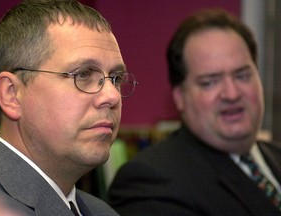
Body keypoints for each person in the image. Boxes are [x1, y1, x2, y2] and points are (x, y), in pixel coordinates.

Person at [107, 8, 281, 216]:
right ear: (180, 97)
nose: (232, 93)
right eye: (210, 82)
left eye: (242, 76)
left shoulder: (276, 155)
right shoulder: (151, 182)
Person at [0, 0, 137, 215]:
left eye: (116, 78)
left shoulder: (102, 212)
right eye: (83, 74)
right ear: (12, 95)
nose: (112, 95)